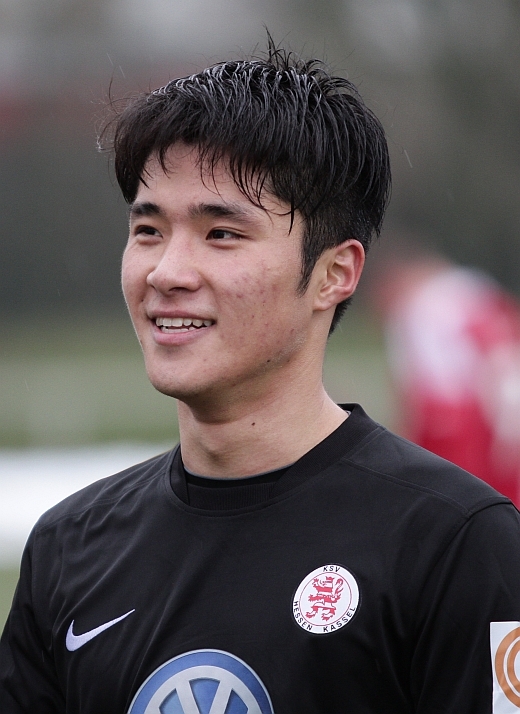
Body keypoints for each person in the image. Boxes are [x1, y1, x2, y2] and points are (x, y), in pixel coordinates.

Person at [1, 41, 520, 714]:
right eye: (149, 230)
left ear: (334, 274)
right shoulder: (68, 548)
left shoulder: (457, 543)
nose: (167, 272)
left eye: (221, 234)